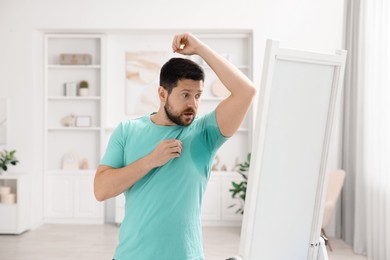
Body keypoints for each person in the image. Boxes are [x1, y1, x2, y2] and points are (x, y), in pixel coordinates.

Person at [94, 32, 256, 260]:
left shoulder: (204, 134)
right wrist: (151, 160)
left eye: (198, 95)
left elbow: (246, 91)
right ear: (162, 93)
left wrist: (200, 48)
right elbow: (101, 190)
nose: (193, 104)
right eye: (185, 95)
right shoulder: (127, 131)